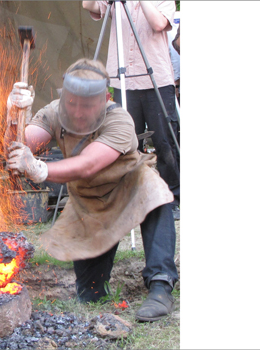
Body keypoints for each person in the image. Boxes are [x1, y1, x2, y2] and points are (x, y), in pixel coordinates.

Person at [5, 58, 179, 322]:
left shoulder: (119, 119)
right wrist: (14, 119)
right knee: (90, 294)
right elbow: (20, 145)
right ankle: (97, 286)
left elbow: (88, 165)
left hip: (129, 186)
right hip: (89, 201)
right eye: (71, 102)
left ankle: (160, 285)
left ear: (105, 98)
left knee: (157, 194)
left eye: (86, 105)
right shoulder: (54, 111)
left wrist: (40, 169)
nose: (76, 112)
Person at [82, 1, 180, 219]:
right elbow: (87, 4)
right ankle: (128, 197)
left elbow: (158, 23)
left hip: (157, 79)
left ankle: (172, 198)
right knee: (124, 142)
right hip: (123, 79)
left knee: (164, 141)